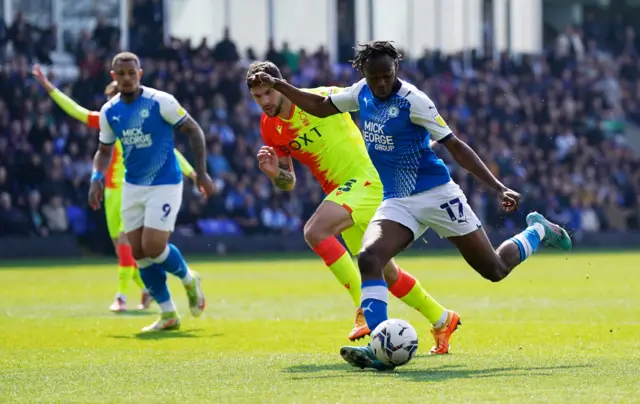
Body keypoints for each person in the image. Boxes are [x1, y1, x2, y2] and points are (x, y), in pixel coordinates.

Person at [247, 41, 572, 370]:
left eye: (387, 75)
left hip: (436, 194)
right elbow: (320, 107)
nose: (382, 84)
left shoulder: (415, 101)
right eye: (376, 78)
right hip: (396, 199)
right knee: (371, 259)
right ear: (365, 75)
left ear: (396, 70)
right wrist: (281, 88)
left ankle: (536, 231)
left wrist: (498, 186)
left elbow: (455, 146)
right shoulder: (360, 93)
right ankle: (380, 346)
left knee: (495, 270)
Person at [248, 61, 458, 352]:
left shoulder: (322, 97)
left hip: (368, 179)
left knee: (315, 231)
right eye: (257, 97)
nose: (264, 102)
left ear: (280, 85)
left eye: (268, 93)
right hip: (345, 194)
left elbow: (376, 99)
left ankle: (363, 306)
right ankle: (442, 318)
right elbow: (288, 183)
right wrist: (274, 174)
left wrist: (410, 135)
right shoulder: (270, 128)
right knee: (386, 273)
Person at [32, 65, 198, 313]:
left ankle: (121, 296)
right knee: (124, 250)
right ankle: (148, 288)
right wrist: (50, 89)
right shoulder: (108, 120)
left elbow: (170, 152)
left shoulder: (142, 122)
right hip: (111, 192)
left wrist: (192, 172)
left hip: (134, 189)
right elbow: (78, 112)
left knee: (126, 243)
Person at [89, 52, 216, 331]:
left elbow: (194, 131)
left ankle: (188, 278)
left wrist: (201, 172)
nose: (126, 78)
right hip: (132, 187)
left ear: (140, 73)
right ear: (114, 76)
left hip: (165, 184)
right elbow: (104, 150)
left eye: (131, 73)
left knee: (154, 246)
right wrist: (96, 177)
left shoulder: (161, 102)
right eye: (120, 74)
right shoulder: (110, 111)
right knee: (138, 252)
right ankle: (168, 313)